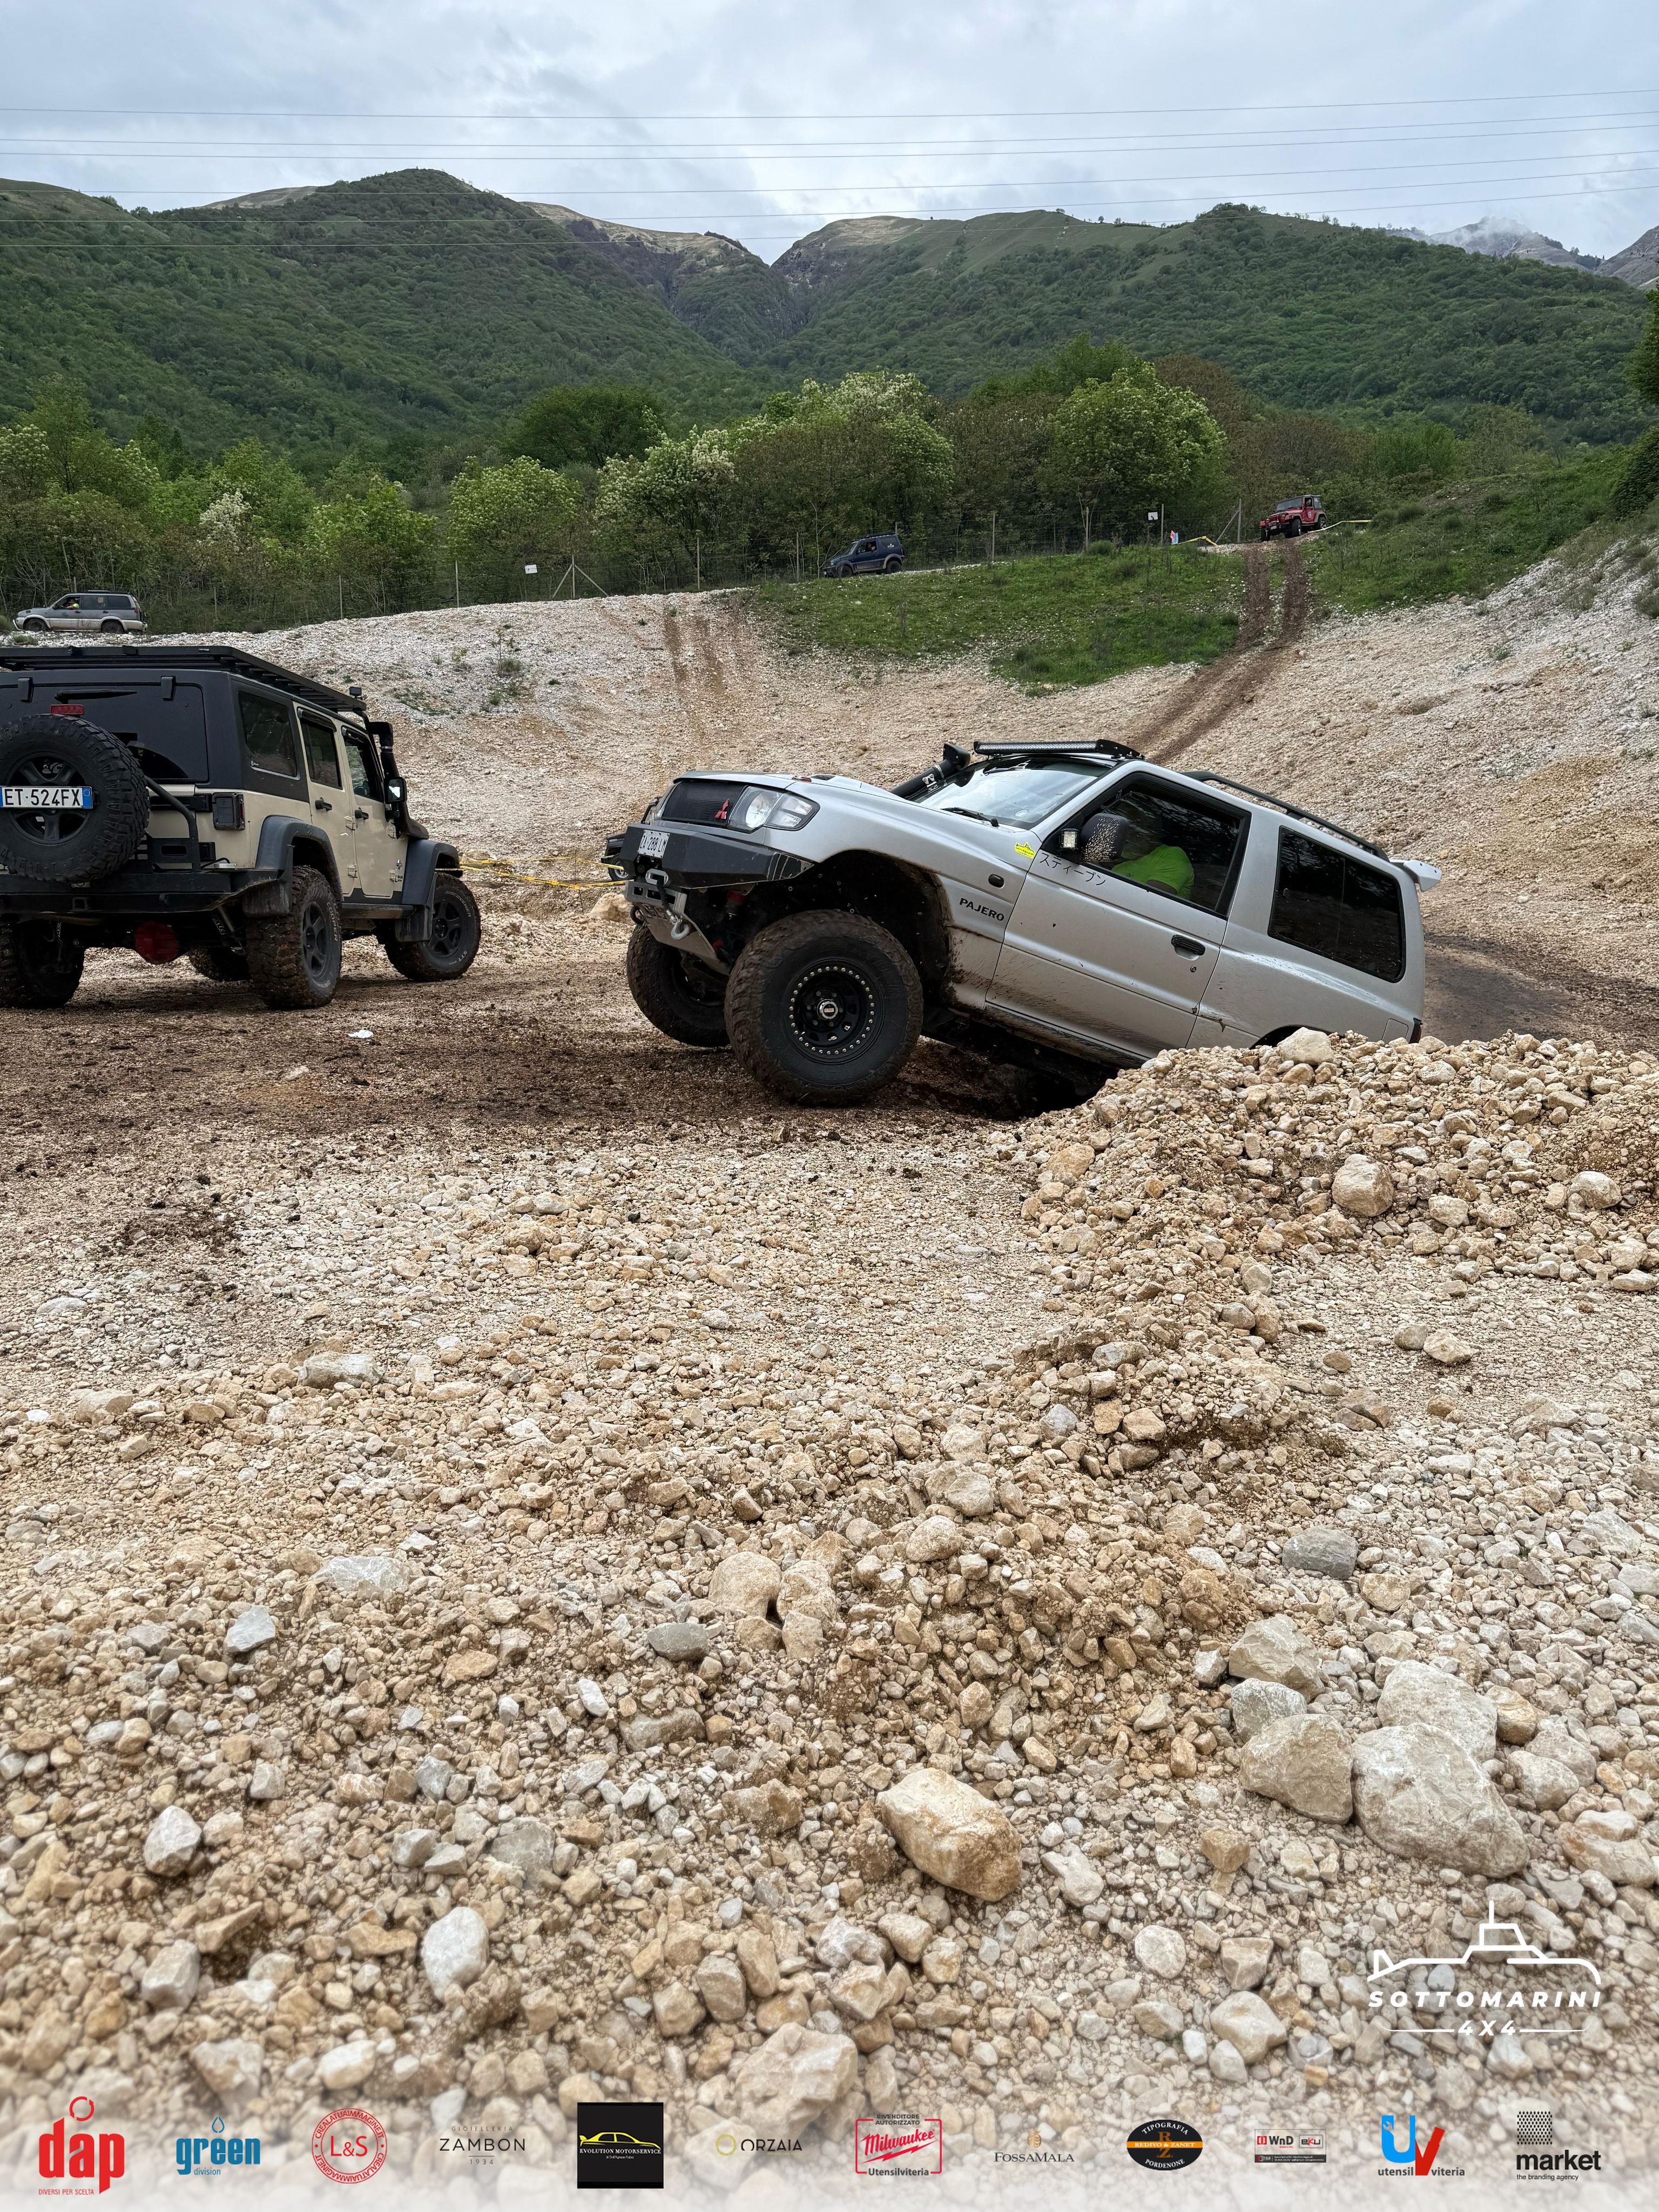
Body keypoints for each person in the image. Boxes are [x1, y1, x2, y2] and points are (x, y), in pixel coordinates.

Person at [1111, 818, 1194, 899]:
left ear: (1153, 837)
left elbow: (1153, 899)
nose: (1127, 838)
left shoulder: (1172, 854)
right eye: (1125, 832)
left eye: (1135, 833)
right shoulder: (1119, 867)